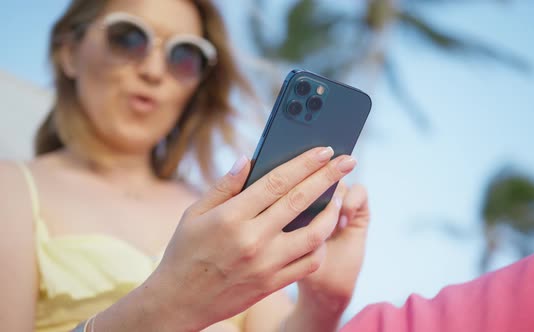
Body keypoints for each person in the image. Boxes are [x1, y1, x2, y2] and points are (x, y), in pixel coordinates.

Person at [0, 0, 370, 331]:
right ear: (68, 52)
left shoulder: (227, 213)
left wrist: (323, 303)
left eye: (184, 55)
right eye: (128, 38)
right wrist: (170, 304)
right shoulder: (10, 188)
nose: (153, 70)